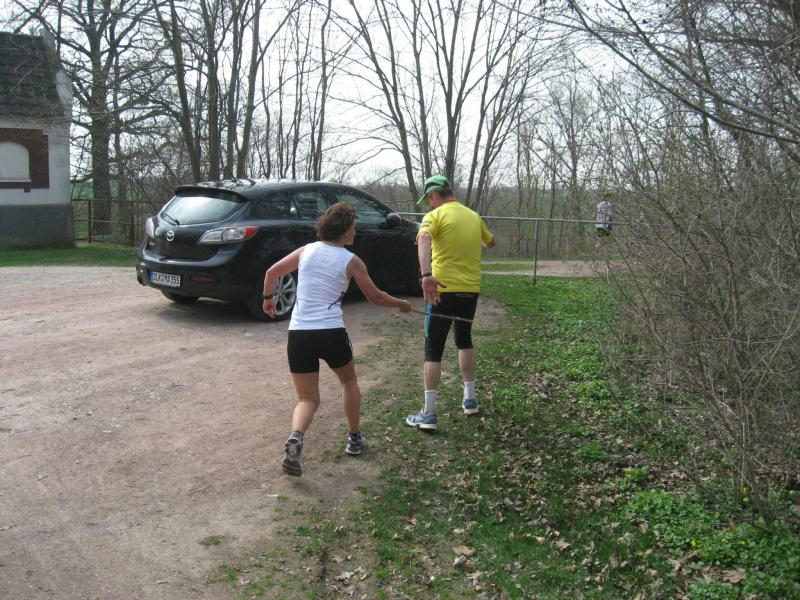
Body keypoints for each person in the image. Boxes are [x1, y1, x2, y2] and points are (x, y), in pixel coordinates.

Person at [262, 203, 412, 476]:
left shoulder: (306, 251)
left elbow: (272, 273)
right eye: (353, 227)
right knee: (349, 380)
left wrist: (268, 299)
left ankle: (296, 436)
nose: (355, 231)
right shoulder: (351, 260)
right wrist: (401, 304)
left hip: (299, 334)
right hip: (330, 332)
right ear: (343, 230)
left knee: (307, 399)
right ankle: (354, 439)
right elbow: (376, 297)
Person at [405, 175, 495, 431]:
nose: (429, 205)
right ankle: (470, 399)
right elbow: (491, 242)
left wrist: (425, 275)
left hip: (441, 290)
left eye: (428, 200)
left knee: (433, 348)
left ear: (434, 194)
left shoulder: (434, 216)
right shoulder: (473, 216)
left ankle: (428, 414)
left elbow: (424, 238)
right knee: (464, 339)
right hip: (470, 290)